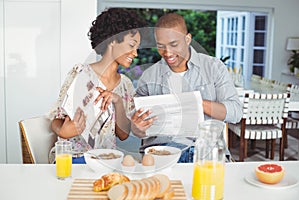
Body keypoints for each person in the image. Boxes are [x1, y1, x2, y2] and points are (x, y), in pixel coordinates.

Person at [131, 12, 243, 162]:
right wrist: (137, 128)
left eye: (174, 45)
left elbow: (235, 113)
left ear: (187, 39)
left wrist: (196, 102)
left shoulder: (213, 67)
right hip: (162, 152)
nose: (167, 53)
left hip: (206, 150)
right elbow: (138, 130)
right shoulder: (149, 77)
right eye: (161, 46)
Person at [48, 8, 146, 163]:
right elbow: (56, 120)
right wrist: (64, 131)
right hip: (74, 158)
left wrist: (118, 102)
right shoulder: (81, 74)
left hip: (106, 160)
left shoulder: (125, 85)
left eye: (137, 48)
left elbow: (123, 135)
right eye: (131, 45)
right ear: (113, 40)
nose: (135, 53)